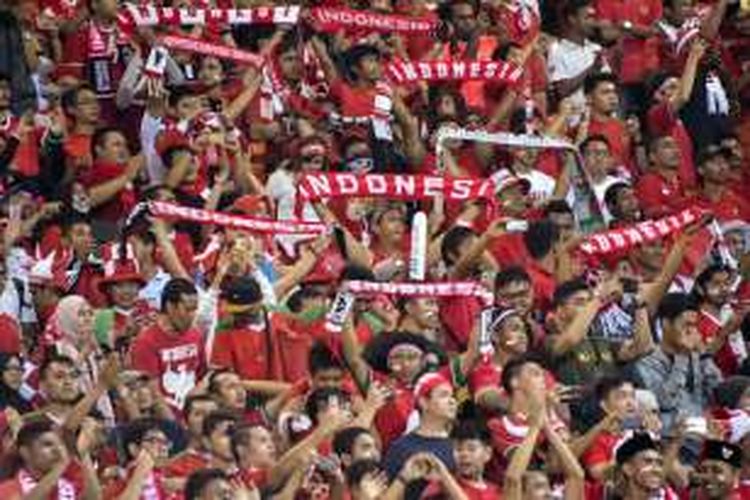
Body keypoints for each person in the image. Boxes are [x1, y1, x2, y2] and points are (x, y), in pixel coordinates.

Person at [635, 293, 723, 433]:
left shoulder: (696, 358)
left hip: (702, 430)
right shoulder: (647, 361)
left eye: (694, 325)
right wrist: (681, 356)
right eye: (686, 325)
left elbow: (719, 392)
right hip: (672, 436)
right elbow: (665, 402)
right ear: (666, 324)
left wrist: (704, 354)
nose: (691, 331)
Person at [129, 278, 206, 409]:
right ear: (170, 306)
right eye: (188, 310)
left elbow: (202, 376)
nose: (193, 316)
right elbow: (152, 394)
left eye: (195, 310)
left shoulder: (195, 335)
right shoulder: (145, 343)